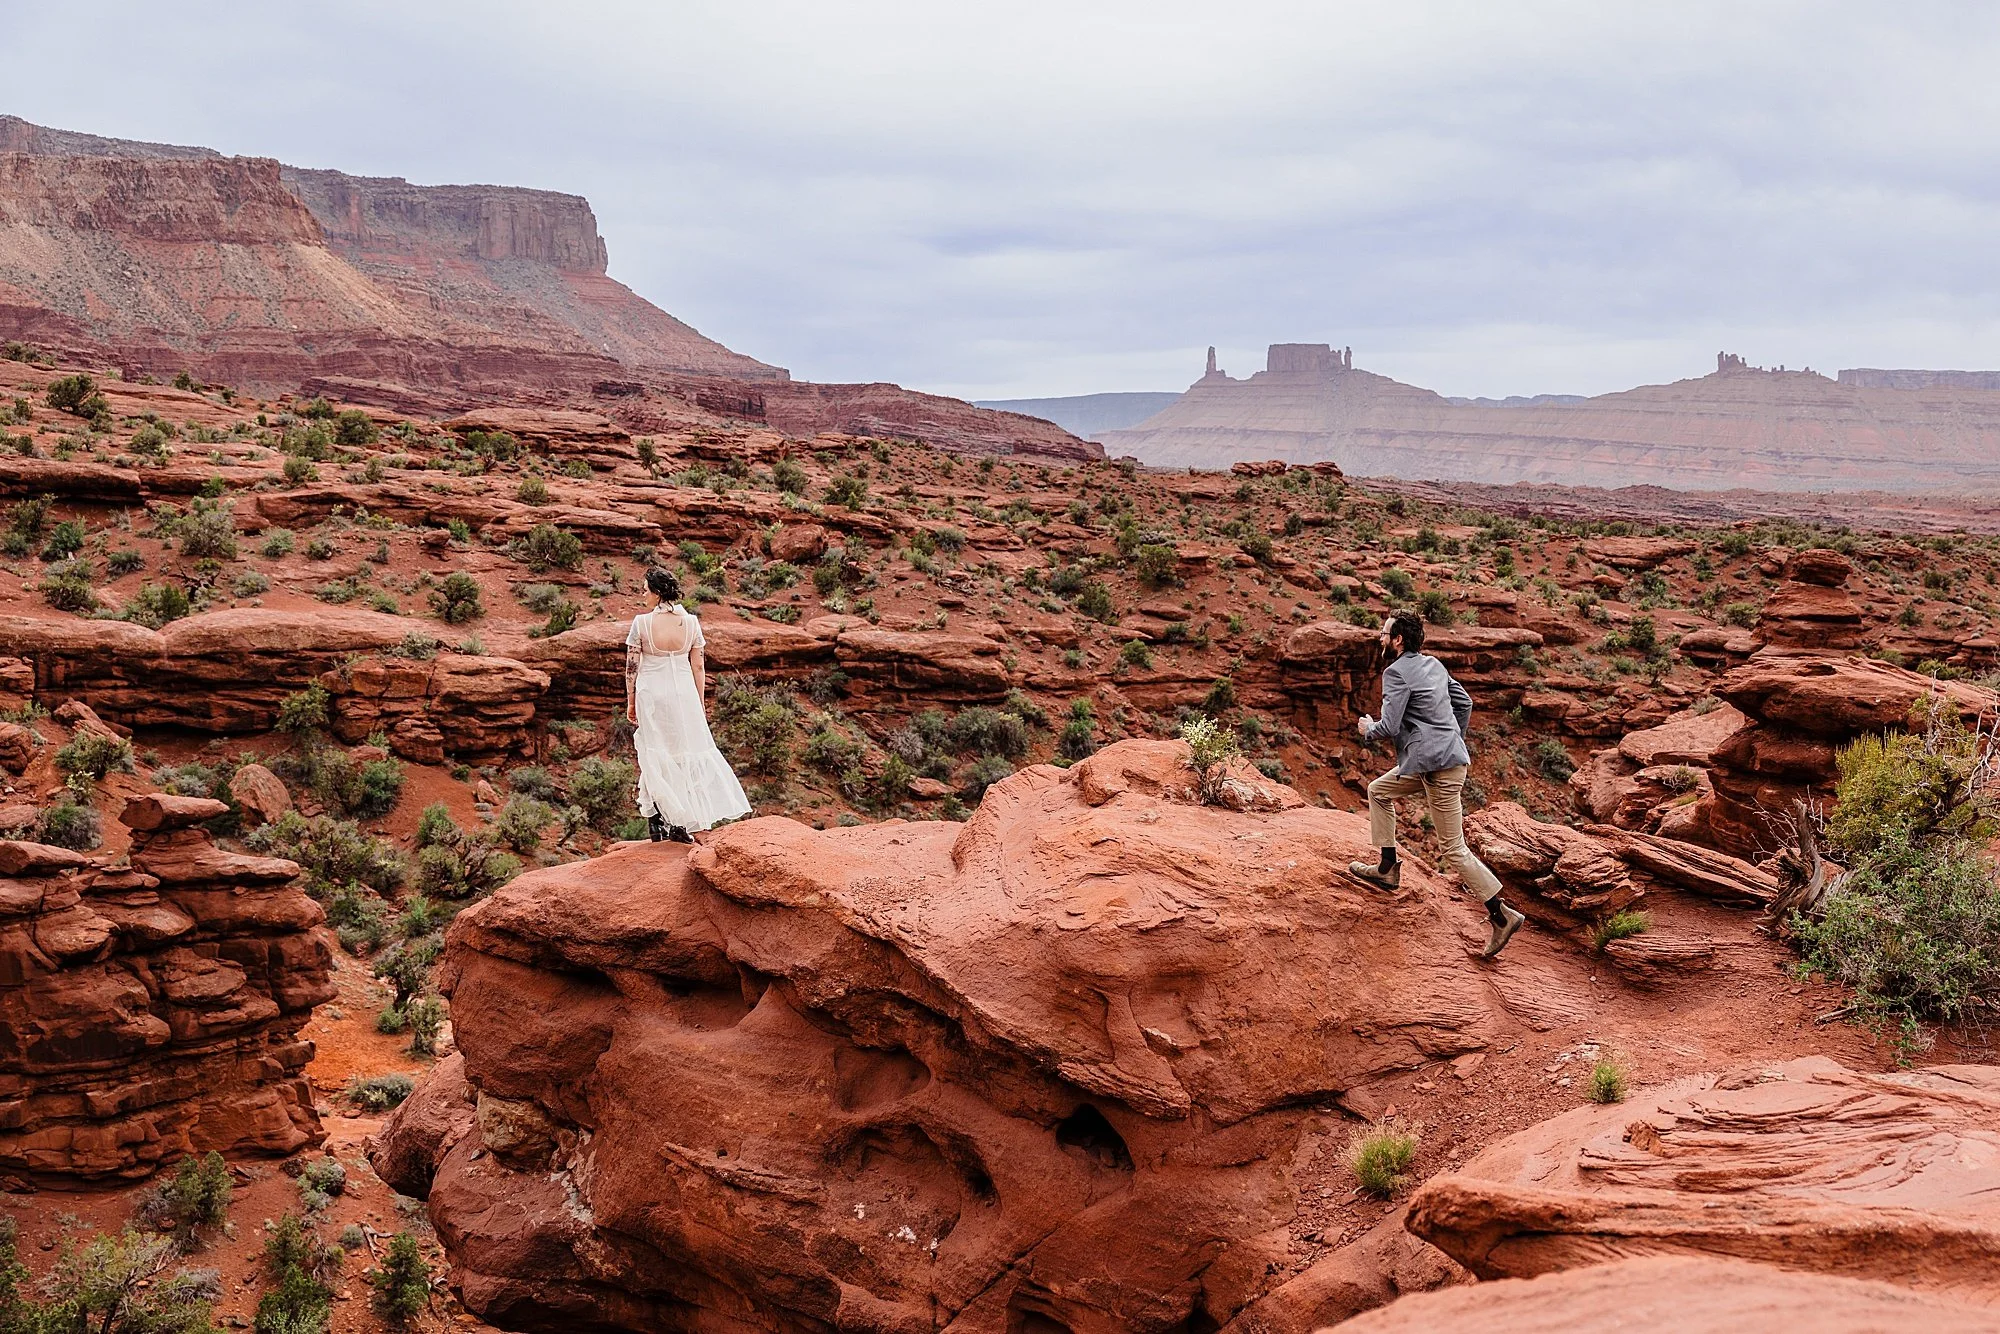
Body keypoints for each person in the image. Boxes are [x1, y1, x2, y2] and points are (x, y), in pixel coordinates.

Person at [1349, 609, 1526, 959]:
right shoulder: (1434, 664)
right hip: (1433, 762)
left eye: (1385, 634)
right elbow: (1465, 702)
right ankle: (1386, 868)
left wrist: (1367, 729)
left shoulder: (1395, 672)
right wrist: (1450, 738)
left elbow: (1390, 724)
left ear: (1398, 640)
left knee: (1453, 849)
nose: (1380, 638)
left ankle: (1500, 915)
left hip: (1438, 769)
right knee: (1378, 790)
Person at [625, 568, 752, 842]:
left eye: (645, 589)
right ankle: (681, 823)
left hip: (652, 697)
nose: (642, 594)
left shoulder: (641, 623)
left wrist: (630, 700)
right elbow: (698, 667)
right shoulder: (692, 623)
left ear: (657, 593)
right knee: (686, 753)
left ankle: (660, 820)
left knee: (656, 754)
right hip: (684, 696)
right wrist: (699, 702)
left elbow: (631, 668)